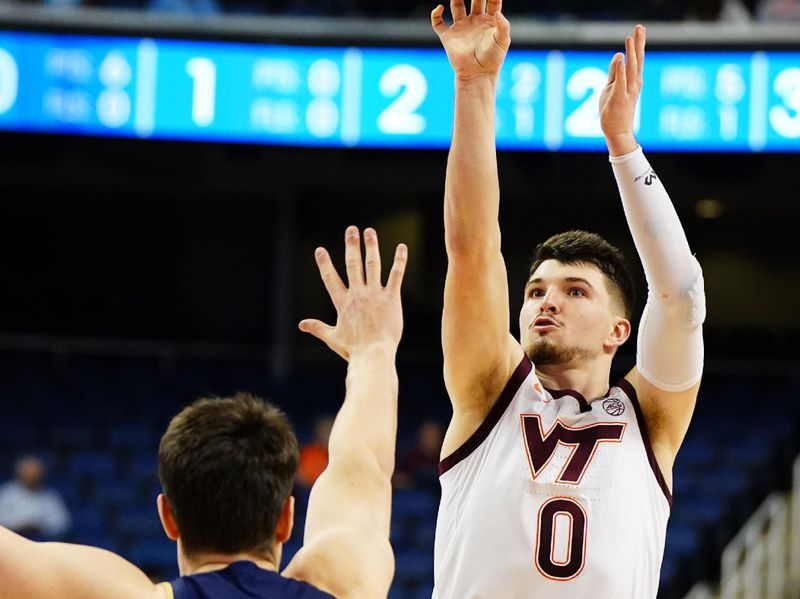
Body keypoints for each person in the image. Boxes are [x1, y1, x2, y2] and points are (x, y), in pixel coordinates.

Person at [431, 4, 704, 596]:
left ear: (617, 331)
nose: (544, 302)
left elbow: (680, 294)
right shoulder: (489, 390)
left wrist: (623, 145)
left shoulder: (650, 421)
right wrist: (473, 87)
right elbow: (472, 246)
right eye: (534, 291)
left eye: (574, 291)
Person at [0, 226, 408, 599]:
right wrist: (373, 350)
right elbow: (365, 468)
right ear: (286, 517)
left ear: (168, 517)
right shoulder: (342, 584)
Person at [0, 455, 71, 540]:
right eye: (27, 471)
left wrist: (39, 526)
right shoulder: (6, 493)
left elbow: (62, 524)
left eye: (35, 471)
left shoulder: (51, 497)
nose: (32, 475)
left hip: (42, 542)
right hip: (11, 540)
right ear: (19, 472)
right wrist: (20, 525)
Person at [296, 415, 334, 488]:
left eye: (329, 432)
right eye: (323, 432)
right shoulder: (309, 453)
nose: (326, 436)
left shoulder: (342, 454)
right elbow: (299, 477)